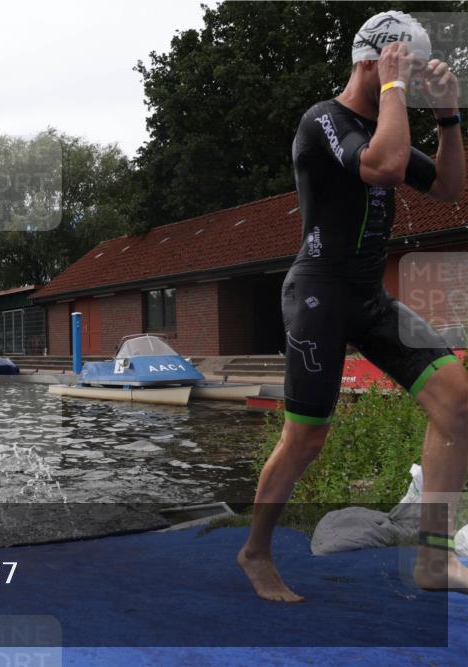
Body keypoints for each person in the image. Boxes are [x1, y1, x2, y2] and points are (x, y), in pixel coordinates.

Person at [239, 11, 468, 602]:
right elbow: (384, 167)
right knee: (306, 440)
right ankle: (256, 551)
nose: (407, 87)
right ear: (371, 61)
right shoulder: (323, 119)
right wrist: (394, 87)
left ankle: (433, 557)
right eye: (402, 71)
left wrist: (447, 117)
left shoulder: (389, 122)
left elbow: (447, 188)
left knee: (458, 402)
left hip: (368, 298)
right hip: (318, 293)